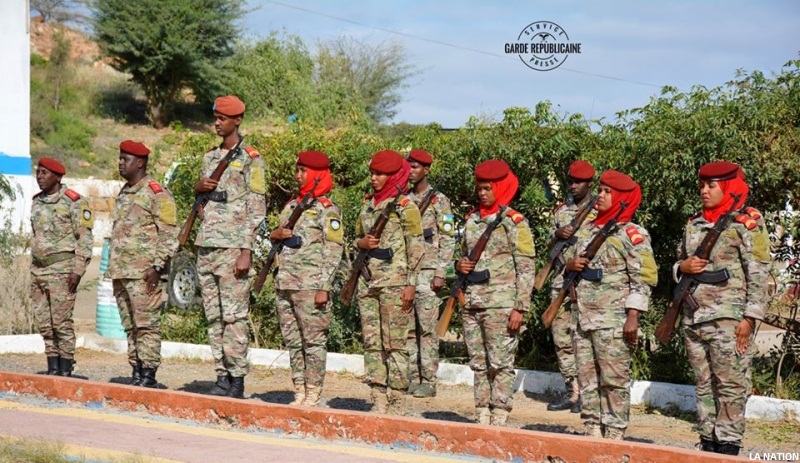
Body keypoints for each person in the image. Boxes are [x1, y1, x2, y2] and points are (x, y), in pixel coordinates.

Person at [675, 161, 770, 456]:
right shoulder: (694, 224)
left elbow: (759, 272)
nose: (704, 191)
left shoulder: (746, 223)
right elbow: (679, 262)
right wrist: (682, 266)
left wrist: (751, 318)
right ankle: (707, 440)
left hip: (729, 318)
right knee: (703, 383)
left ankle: (728, 444)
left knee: (731, 383)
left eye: (711, 186)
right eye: (702, 185)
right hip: (694, 317)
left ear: (728, 187)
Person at [564, 170, 657, 439]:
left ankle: (614, 435)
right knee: (588, 379)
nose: (600, 196)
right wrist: (570, 265)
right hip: (582, 318)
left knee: (613, 381)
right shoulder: (587, 229)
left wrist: (633, 316)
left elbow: (643, 278)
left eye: (607, 192)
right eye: (601, 190)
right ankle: (592, 430)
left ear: (622, 199)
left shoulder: (633, 234)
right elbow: (569, 265)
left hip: (613, 321)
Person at [194, 95, 266, 399]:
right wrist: (197, 189)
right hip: (207, 246)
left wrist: (247, 249)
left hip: (234, 248)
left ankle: (237, 379)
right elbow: (202, 204)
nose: (217, 122)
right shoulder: (209, 158)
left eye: (223, 117)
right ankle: (221, 375)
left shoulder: (251, 158)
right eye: (215, 116)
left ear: (237, 120)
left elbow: (257, 205)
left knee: (234, 317)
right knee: (213, 316)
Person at [456, 160, 535, 426]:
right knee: (478, 362)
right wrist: (459, 265)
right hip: (472, 302)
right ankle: (481, 411)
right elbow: (461, 256)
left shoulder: (514, 222)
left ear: (499, 187)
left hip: (501, 304)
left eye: (487, 188)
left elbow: (526, 267)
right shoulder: (471, 220)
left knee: (500, 363)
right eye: (479, 188)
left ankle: (500, 413)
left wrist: (520, 307)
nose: (482, 193)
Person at [270, 150, 343, 407]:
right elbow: (282, 239)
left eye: (304, 171)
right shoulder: (291, 205)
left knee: (313, 343)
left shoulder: (327, 210)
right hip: (286, 284)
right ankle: (298, 390)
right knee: (292, 341)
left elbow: (334, 250)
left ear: (316, 175)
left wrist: (324, 287)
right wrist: (275, 234)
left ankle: (313, 392)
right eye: (297, 170)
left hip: (311, 286)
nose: (298, 176)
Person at [354, 149, 424, 414]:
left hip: (395, 282)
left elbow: (416, 248)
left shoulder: (406, 207)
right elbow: (357, 239)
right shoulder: (367, 204)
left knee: (395, 343)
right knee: (372, 342)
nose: (374, 178)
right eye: (372, 173)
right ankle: (377, 395)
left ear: (394, 175)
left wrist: (411, 284)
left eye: (380, 174)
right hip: (367, 281)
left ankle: (396, 399)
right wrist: (360, 242)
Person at [107, 140, 179, 387]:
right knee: (130, 326)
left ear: (139, 162)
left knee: (147, 326)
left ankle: (148, 374)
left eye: (124, 159)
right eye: (120, 158)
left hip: (145, 274)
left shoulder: (156, 193)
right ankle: (136, 371)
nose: (120, 163)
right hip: (122, 272)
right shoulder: (124, 192)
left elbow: (170, 235)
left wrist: (158, 267)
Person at [30, 157, 93, 377]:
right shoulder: (36, 201)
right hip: (38, 271)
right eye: (38, 172)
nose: (39, 177)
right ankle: (53, 367)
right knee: (44, 323)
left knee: (61, 323)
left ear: (57, 177)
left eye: (44, 173)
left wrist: (77, 271)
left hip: (62, 271)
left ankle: (66, 368)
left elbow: (84, 239)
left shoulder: (74, 201)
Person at [404, 149, 456, 398]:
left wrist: (441, 272)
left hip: (428, 271)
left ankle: (429, 379)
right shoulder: (403, 199)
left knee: (426, 329)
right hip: (406, 272)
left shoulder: (439, 201)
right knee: (408, 329)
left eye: (415, 167)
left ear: (426, 170)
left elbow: (448, 238)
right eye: (408, 167)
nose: (410, 171)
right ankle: (412, 377)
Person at [547, 160, 596, 413]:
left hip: (588, 286)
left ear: (590, 183)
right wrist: (556, 235)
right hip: (560, 282)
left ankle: (589, 394)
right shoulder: (560, 212)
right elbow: (548, 246)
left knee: (585, 339)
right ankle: (572, 391)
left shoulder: (600, 211)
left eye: (579, 182)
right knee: (561, 337)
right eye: (571, 181)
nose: (574, 186)